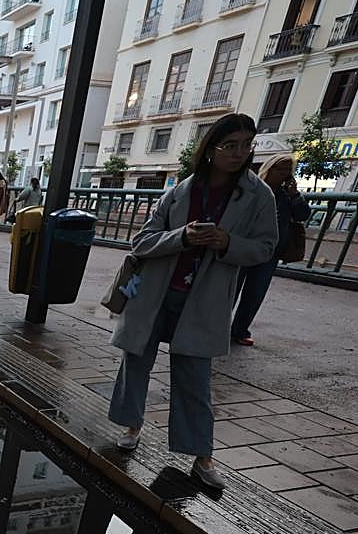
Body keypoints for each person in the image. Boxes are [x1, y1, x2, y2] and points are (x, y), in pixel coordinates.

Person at [108, 113, 278, 492]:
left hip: (203, 300)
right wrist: (182, 237)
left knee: (195, 380)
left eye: (245, 146)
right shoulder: (182, 189)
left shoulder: (258, 195)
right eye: (229, 146)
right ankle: (131, 425)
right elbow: (143, 240)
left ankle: (202, 455)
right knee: (135, 362)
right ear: (211, 150)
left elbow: (266, 247)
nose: (238, 154)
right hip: (156, 292)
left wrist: (227, 243)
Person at [230, 154, 309, 347]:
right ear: (269, 168)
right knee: (230, 289)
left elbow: (303, 215)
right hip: (243, 247)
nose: (283, 174)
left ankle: (240, 330)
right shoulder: (253, 189)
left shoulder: (285, 196)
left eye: (287, 171)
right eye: (279, 169)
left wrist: (295, 195)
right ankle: (219, 326)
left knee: (255, 292)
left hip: (270, 252)